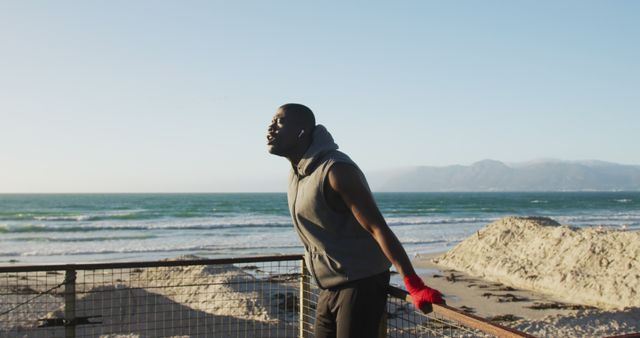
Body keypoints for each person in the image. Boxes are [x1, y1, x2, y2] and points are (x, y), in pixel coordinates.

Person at [267, 103, 444, 338]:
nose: (270, 128)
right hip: (328, 286)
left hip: (360, 283)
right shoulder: (296, 173)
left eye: (279, 121)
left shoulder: (336, 170)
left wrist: (413, 283)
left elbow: (377, 227)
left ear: (301, 130)